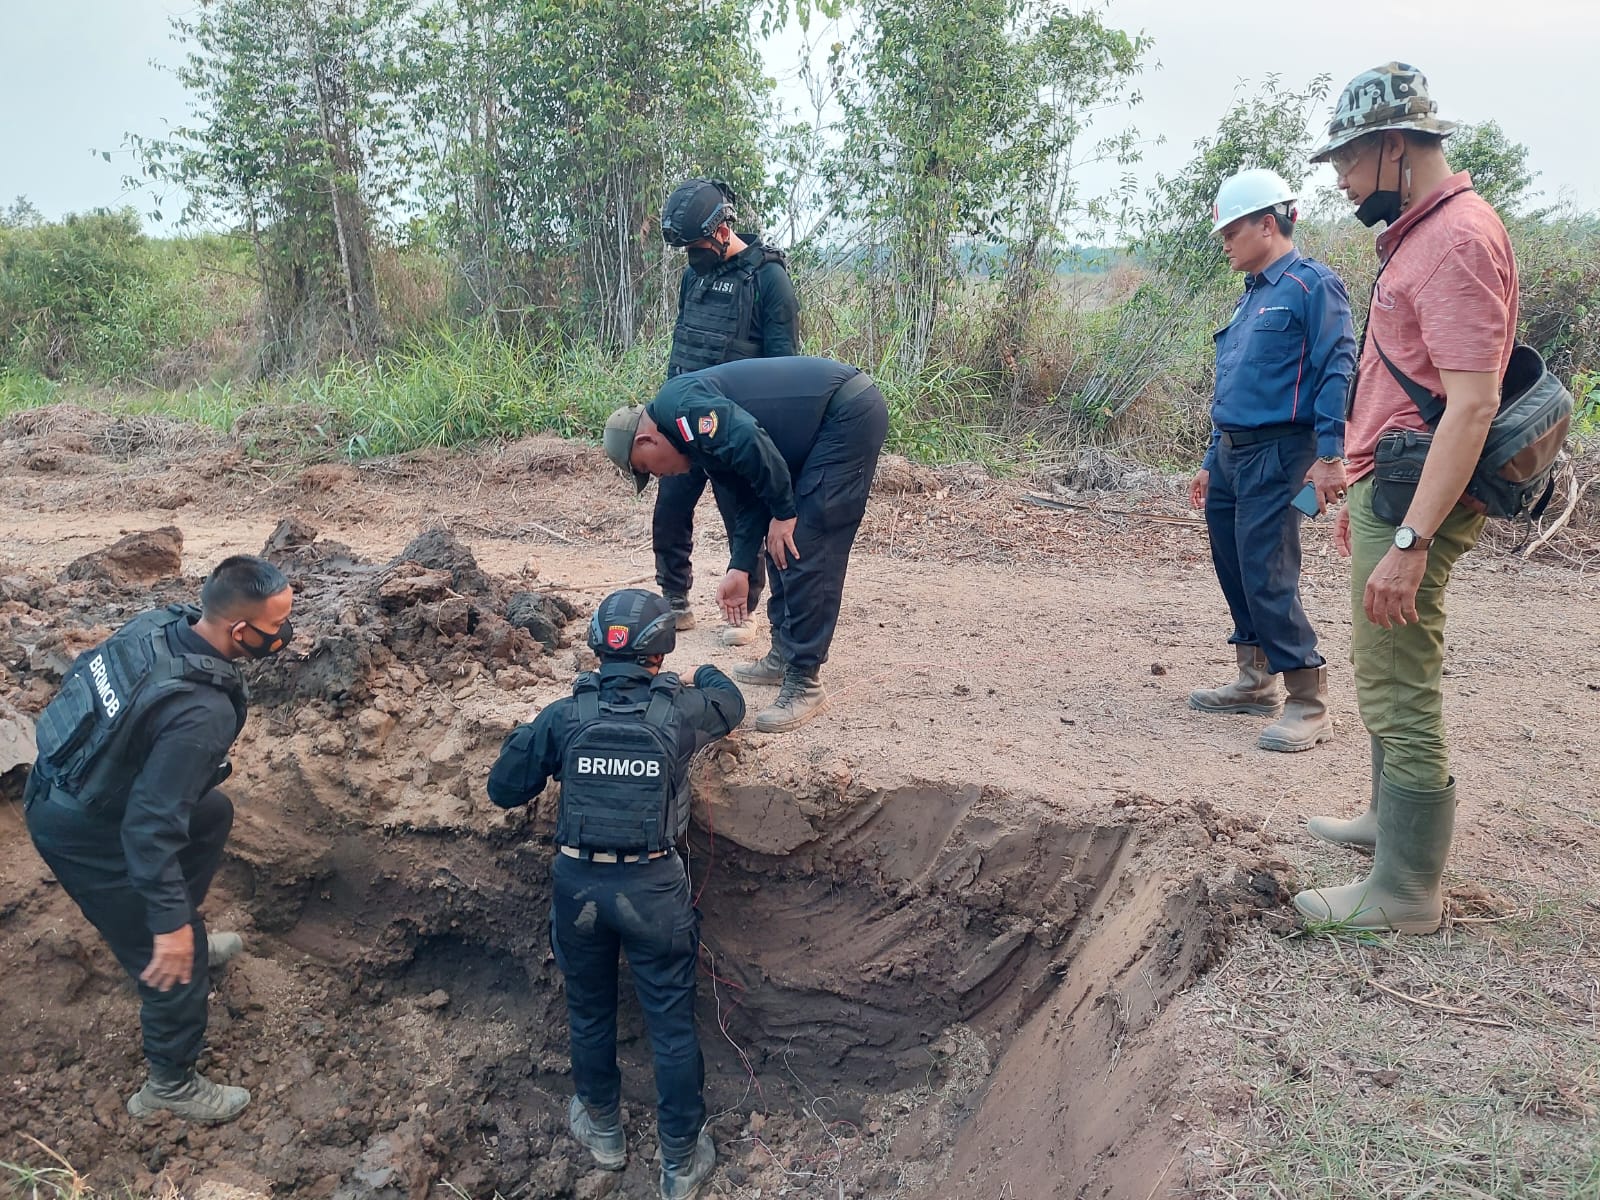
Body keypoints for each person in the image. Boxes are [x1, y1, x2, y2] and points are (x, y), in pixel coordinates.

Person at [1293, 63, 1517, 934]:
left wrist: (1413, 537)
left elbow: (1472, 402)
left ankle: (1406, 891)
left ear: (1394, 146)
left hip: (1415, 499)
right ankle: (1389, 825)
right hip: (1393, 483)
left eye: (1349, 160)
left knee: (1399, 682)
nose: (1342, 180)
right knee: (1384, 668)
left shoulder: (1458, 239)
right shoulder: (1423, 236)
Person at [487, 588, 745, 1200]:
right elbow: (729, 703)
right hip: (653, 891)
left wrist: (532, 737)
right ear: (661, 650)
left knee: (591, 1010)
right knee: (672, 1025)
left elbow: (503, 789)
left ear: (597, 645)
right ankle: (681, 1160)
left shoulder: (565, 715)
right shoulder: (678, 711)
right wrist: (702, 672)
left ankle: (603, 1131)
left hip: (579, 891)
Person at [24, 555, 296, 1123]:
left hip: (73, 781)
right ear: (239, 632)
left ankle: (176, 930)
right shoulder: (200, 713)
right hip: (82, 829)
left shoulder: (159, 627)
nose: (286, 637)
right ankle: (170, 1086)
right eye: (278, 629)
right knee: (172, 954)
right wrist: (170, 927)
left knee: (211, 812)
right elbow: (149, 830)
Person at [602, 356, 888, 733]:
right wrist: (739, 566)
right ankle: (785, 653)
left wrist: (785, 512)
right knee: (778, 538)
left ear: (647, 439)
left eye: (648, 468)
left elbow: (751, 439)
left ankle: (805, 681)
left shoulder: (684, 409)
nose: (658, 475)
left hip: (845, 415)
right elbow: (749, 492)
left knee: (804, 539)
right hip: (815, 431)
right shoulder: (694, 441)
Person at [1188, 168, 1357, 752]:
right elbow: (1231, 386)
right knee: (1232, 562)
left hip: (1283, 453)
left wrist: (1332, 455)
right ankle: (1254, 679)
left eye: (1233, 230)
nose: (1226, 242)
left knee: (1268, 569)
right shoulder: (1252, 298)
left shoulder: (1313, 286)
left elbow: (1338, 367)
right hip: (1234, 455)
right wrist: (1212, 458)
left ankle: (1309, 701)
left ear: (1268, 223)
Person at [655, 178, 801, 647]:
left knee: (742, 515)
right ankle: (674, 598)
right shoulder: (692, 276)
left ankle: (745, 610)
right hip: (684, 422)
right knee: (670, 509)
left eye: (696, 245)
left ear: (722, 229)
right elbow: (685, 340)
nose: (691, 255)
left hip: (735, 426)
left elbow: (784, 368)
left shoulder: (768, 280)